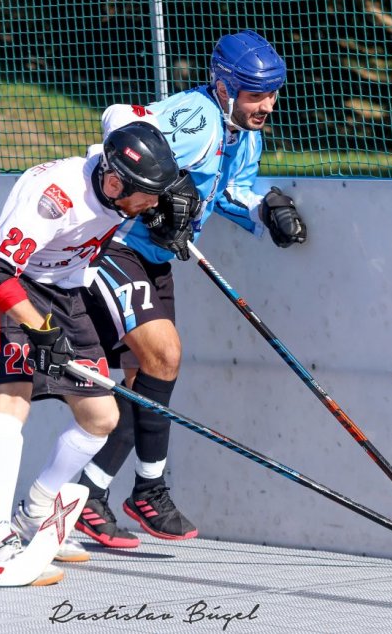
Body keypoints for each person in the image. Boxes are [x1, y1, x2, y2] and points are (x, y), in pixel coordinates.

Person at [75, 30, 307, 549]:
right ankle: (149, 489)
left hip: (157, 257)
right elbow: (116, 130)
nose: (267, 105)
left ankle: (91, 494)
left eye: (272, 94)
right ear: (224, 88)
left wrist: (263, 210)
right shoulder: (195, 120)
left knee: (145, 383)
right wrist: (157, 195)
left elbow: (229, 190)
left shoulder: (245, 133)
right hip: (117, 245)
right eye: (255, 94)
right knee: (165, 357)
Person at [0, 122, 186, 584]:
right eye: (148, 196)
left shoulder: (116, 180)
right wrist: (40, 330)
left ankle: (36, 514)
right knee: (13, 399)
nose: (153, 204)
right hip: (7, 288)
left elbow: (120, 121)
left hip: (63, 290)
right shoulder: (54, 198)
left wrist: (161, 211)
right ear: (115, 183)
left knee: (100, 417)